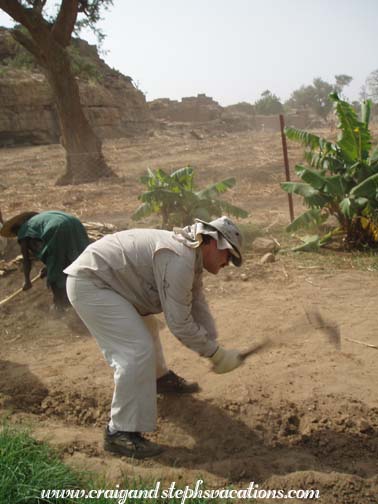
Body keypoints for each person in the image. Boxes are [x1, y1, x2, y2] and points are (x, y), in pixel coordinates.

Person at [64, 216, 245, 459]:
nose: (228, 263)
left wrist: (215, 347)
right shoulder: (180, 258)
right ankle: (119, 433)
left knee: (147, 328)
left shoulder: (192, 255)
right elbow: (179, 323)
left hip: (112, 284)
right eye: (228, 255)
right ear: (212, 243)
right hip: (91, 283)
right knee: (135, 351)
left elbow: (196, 303)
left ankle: (159, 378)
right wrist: (215, 354)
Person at [0, 210, 90, 310]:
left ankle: (61, 305)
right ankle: (89, 291)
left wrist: (27, 280)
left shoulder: (23, 231)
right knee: (82, 258)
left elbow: (26, 260)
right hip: (75, 223)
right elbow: (56, 250)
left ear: (16, 230)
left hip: (56, 228)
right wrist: (48, 266)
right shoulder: (41, 221)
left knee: (55, 274)